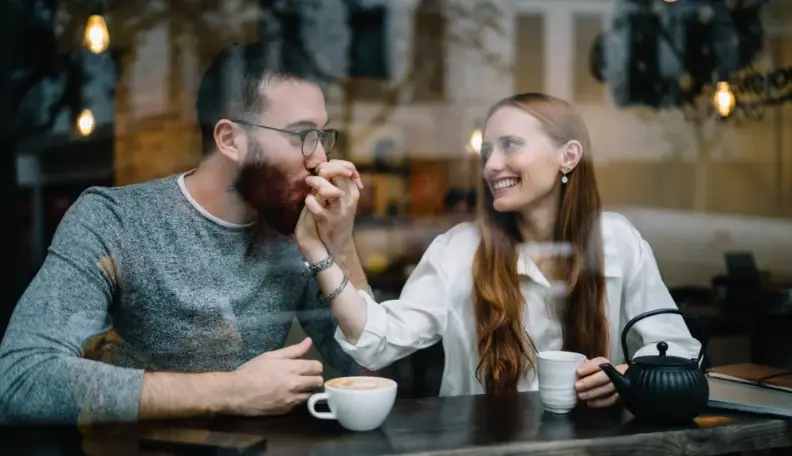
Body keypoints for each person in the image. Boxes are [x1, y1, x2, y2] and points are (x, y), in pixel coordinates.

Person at [0, 41, 368, 424]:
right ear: (229, 140)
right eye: (301, 135)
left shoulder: (296, 231)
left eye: (323, 136)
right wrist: (230, 392)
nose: (321, 159)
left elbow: (369, 374)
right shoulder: (115, 221)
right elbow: (22, 379)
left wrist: (340, 246)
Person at [294, 93, 701, 407]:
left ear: (569, 156)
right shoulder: (459, 249)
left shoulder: (616, 240)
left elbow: (679, 350)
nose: (491, 165)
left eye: (510, 145)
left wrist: (628, 377)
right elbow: (375, 342)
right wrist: (321, 248)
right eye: (487, 152)